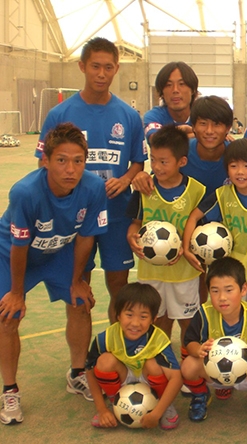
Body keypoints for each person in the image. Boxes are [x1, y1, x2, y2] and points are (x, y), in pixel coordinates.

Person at [36, 37, 146, 334]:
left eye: (108, 67)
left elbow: (138, 161)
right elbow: (42, 163)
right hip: (74, 218)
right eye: (95, 66)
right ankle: (79, 368)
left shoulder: (128, 115)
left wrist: (125, 179)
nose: (101, 73)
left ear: (116, 69)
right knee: (77, 292)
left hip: (117, 214)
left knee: (119, 289)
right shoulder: (60, 114)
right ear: (82, 66)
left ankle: (121, 354)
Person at [0, 123, 108, 425]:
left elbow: (87, 236)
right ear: (45, 161)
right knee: (8, 315)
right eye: (61, 160)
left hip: (59, 251)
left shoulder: (93, 187)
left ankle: (77, 374)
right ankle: (10, 390)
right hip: (12, 255)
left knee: (80, 303)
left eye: (78, 161)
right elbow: (20, 246)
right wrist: (17, 293)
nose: (70, 169)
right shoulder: (25, 192)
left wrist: (77, 280)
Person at [126, 125, 206, 344]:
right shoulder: (144, 189)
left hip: (184, 274)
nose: (157, 167)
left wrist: (187, 246)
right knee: (157, 319)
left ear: (181, 161)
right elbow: (135, 223)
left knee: (188, 320)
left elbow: (201, 231)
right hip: (151, 272)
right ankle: (162, 360)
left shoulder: (197, 191)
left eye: (164, 161)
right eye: (153, 160)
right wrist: (131, 237)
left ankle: (189, 362)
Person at [182, 138, 247, 320]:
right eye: (234, 166)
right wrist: (186, 248)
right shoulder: (221, 195)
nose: (240, 172)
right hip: (228, 274)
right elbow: (194, 216)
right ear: (227, 169)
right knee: (228, 318)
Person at [181, 257, 247, 424]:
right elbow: (190, 340)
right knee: (188, 365)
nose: (222, 297)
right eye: (215, 291)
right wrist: (198, 350)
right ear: (208, 291)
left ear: (243, 289)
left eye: (229, 290)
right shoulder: (204, 313)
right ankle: (200, 396)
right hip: (214, 373)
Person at [85, 282, 182, 429]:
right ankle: (114, 403)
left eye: (143, 317)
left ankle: (163, 405)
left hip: (147, 376)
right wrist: (101, 409)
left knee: (154, 365)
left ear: (154, 319)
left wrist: (156, 413)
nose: (135, 323)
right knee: (104, 361)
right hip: (123, 375)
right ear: (118, 315)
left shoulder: (158, 339)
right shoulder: (106, 337)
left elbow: (176, 377)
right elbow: (90, 370)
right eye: (129, 315)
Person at [134, 95, 233, 198]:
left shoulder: (237, 155)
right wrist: (143, 177)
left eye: (217, 125)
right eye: (203, 123)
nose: (209, 131)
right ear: (193, 126)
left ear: (228, 128)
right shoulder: (178, 151)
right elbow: (156, 177)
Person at [143, 61, 199, 141]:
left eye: (181, 84)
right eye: (169, 85)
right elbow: (157, 142)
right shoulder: (154, 116)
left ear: (193, 90)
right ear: (161, 92)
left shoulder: (205, 115)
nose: (175, 90)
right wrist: (198, 136)